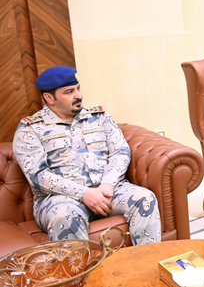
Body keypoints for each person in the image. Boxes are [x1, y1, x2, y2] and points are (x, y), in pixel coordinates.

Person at [12, 67, 161, 245]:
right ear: (49, 98)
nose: (78, 95)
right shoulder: (30, 130)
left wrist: (108, 183)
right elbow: (39, 176)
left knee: (145, 198)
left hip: (108, 189)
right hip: (61, 198)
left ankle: (148, 261)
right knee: (65, 216)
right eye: (69, 92)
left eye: (78, 88)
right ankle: (85, 265)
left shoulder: (100, 118)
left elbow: (120, 152)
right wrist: (84, 194)